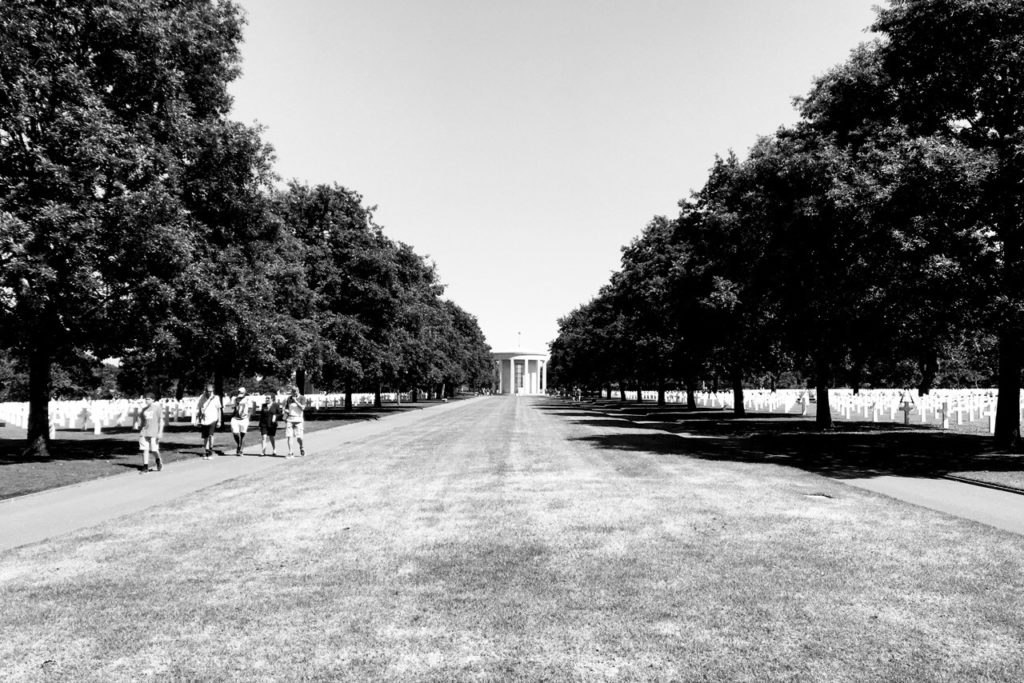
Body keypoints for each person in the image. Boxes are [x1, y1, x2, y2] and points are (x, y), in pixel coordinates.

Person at [135, 393, 164, 473]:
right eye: (146, 399)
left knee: (154, 449)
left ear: (153, 400)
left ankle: (158, 460)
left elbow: (161, 421)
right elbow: (141, 421)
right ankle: (145, 467)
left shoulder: (157, 408)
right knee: (145, 449)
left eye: (148, 399)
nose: (146, 400)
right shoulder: (143, 410)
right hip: (144, 432)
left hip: (154, 432)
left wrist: (160, 432)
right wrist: (139, 426)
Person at [194, 384, 222, 459]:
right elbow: (199, 409)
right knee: (205, 437)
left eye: (211, 391)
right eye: (208, 391)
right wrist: (198, 420)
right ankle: (206, 451)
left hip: (213, 419)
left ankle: (210, 451)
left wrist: (219, 421)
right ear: (205, 390)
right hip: (204, 420)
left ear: (212, 391)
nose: (209, 393)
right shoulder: (202, 398)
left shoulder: (216, 398)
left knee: (210, 435)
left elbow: (219, 410)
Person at [229, 387, 254, 456]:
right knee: (235, 433)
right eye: (239, 392)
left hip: (244, 419)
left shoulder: (248, 399)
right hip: (235, 418)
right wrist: (236, 402)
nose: (240, 394)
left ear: (245, 393)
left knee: (243, 435)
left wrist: (248, 417)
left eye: (242, 393)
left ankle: (240, 449)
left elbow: (250, 409)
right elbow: (232, 407)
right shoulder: (234, 398)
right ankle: (239, 445)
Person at [283, 385, 306, 458]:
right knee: (289, 436)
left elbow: (303, 408)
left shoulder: (302, 398)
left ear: (298, 391)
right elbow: (287, 408)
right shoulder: (289, 398)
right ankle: (291, 452)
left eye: (294, 391)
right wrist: (285, 415)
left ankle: (301, 447)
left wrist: (296, 401)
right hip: (290, 419)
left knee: (299, 437)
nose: (293, 393)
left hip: (298, 419)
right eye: (292, 391)